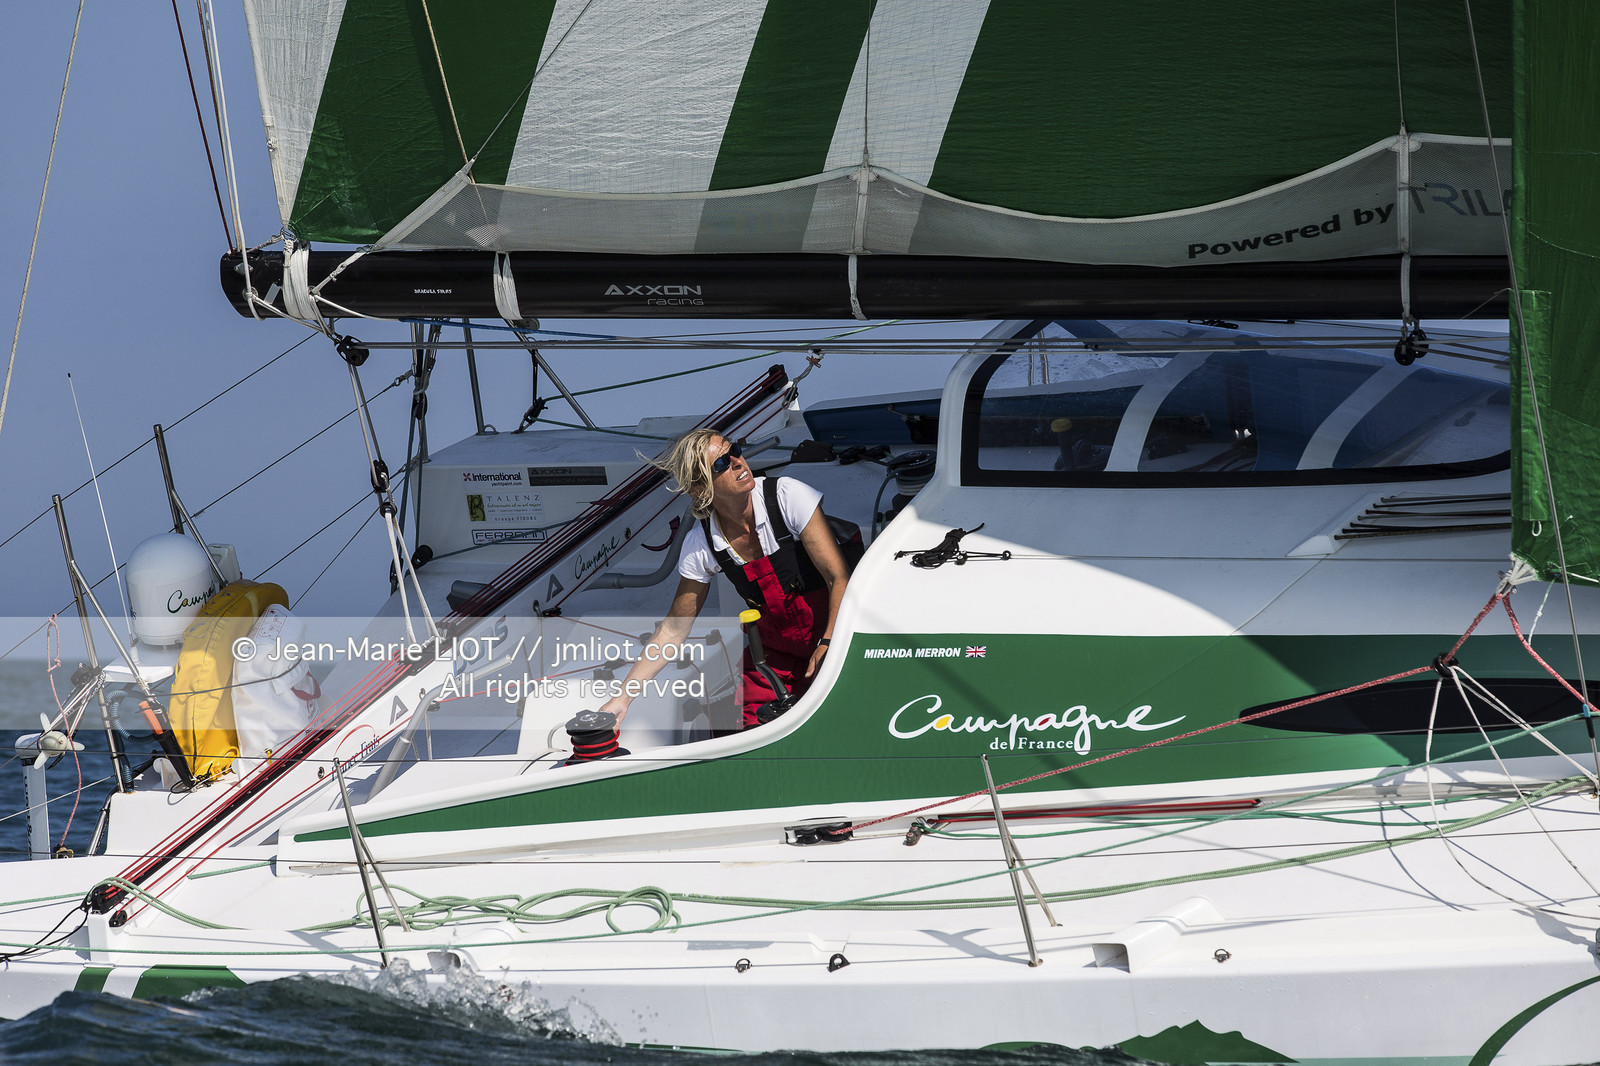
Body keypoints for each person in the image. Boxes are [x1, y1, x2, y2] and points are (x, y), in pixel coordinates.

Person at [599, 429, 848, 730]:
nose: (738, 463)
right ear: (701, 490)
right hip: (774, 659)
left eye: (736, 451)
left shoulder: (788, 496)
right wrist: (622, 699)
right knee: (752, 732)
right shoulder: (700, 543)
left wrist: (829, 643)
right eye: (721, 465)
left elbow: (838, 578)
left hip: (836, 636)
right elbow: (673, 630)